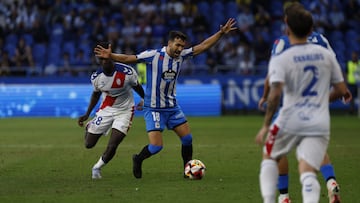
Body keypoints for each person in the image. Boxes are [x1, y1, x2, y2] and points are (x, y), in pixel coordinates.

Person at [94, 18, 237, 179]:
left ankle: (187, 169)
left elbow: (203, 46)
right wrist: (111, 55)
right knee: (156, 146)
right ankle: (138, 158)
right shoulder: (153, 55)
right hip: (154, 108)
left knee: (187, 139)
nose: (180, 48)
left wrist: (221, 33)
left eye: (182, 46)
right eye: (177, 45)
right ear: (169, 43)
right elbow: (130, 58)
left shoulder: (181, 56)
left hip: (172, 107)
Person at [255, 5, 351, 203]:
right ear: (310, 28)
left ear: (287, 26)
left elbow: (274, 90)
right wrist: (323, 99)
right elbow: (341, 89)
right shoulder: (323, 46)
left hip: (289, 115)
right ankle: (330, 181)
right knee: (308, 163)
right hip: (318, 117)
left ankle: (281, 197)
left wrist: (265, 122)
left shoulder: (281, 47)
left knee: (272, 153)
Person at [77, 43, 145, 179]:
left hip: (125, 111)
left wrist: (145, 100)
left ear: (112, 58)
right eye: (101, 60)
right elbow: (96, 94)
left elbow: (138, 87)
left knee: (113, 144)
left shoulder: (127, 72)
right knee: (89, 144)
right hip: (106, 110)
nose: (104, 62)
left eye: (106, 58)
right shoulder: (96, 77)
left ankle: (97, 168)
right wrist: (87, 113)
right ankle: (91, 125)